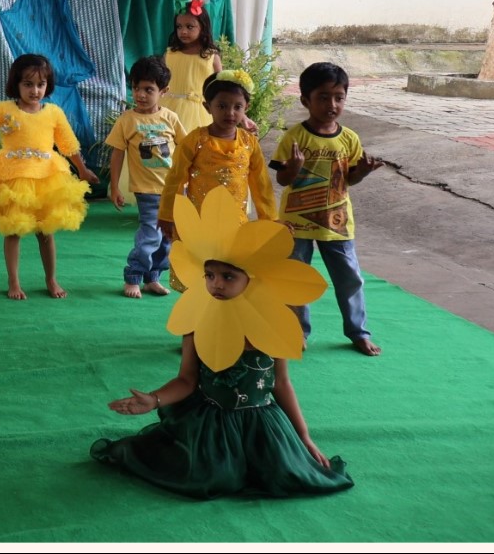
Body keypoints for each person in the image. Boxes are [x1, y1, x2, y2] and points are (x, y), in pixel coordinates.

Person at [95, 184, 355, 498]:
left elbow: (281, 384)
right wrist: (154, 399)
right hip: (212, 424)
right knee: (207, 476)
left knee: (291, 476)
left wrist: (303, 437)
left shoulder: (271, 325)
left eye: (228, 276)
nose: (216, 284)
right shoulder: (198, 321)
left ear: (251, 279)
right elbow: (187, 380)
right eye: (210, 275)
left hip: (263, 426)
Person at [0, 52, 97, 299]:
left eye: (40, 84)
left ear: (48, 85)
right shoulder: (5, 110)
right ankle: (13, 282)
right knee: (13, 231)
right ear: (16, 84)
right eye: (28, 84)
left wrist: (82, 169)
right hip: (13, 180)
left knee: (46, 232)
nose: (35, 90)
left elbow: (68, 143)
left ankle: (51, 279)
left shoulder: (54, 112)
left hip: (46, 179)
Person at [274, 61, 392, 353]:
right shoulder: (294, 137)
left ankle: (358, 332)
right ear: (306, 100)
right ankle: (296, 331)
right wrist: (295, 167)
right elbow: (282, 178)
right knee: (295, 278)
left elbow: (349, 179)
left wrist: (362, 172)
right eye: (323, 97)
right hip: (296, 222)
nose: (332, 104)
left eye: (339, 97)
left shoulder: (349, 138)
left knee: (349, 278)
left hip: (337, 222)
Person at [163, 73, 277, 250]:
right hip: (199, 221)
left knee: (230, 263)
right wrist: (168, 215)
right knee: (198, 262)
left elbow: (261, 184)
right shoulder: (195, 140)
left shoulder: (249, 142)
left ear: (246, 108)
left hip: (236, 224)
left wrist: (270, 219)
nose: (230, 113)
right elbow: (175, 179)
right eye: (222, 106)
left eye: (237, 107)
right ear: (208, 107)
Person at [109, 57, 182, 298]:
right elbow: (117, 154)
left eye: (148, 89)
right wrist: (114, 187)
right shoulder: (127, 120)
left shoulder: (170, 118)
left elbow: (186, 148)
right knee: (150, 235)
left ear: (163, 91)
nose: (140, 94)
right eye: (136, 88)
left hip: (172, 191)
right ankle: (133, 275)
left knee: (167, 239)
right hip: (146, 190)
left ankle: (153, 277)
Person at [163, 9, 221, 134]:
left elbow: (221, 88)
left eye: (190, 27)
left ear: (203, 27)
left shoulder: (211, 57)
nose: (183, 31)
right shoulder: (170, 54)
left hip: (199, 112)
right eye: (179, 27)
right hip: (167, 108)